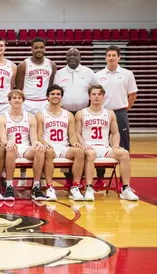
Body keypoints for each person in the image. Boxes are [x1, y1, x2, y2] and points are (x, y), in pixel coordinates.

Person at [75, 84, 139, 201]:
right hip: (89, 147)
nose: (96, 97)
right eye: (94, 94)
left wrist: (115, 145)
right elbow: (77, 133)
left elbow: (115, 133)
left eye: (99, 94)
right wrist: (83, 146)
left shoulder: (109, 113)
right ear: (89, 97)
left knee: (124, 154)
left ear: (103, 96)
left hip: (104, 147)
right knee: (90, 154)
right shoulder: (81, 113)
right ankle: (89, 188)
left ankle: (125, 188)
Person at [95, 45, 138, 188]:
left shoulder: (127, 74)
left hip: (120, 113)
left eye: (114, 55)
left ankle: (122, 182)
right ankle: (100, 179)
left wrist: (125, 109)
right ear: (105, 57)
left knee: (123, 147)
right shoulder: (98, 75)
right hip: (103, 114)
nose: (111, 58)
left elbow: (132, 95)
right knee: (100, 145)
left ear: (119, 57)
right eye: (109, 55)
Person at [53, 47, 96, 187]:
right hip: (65, 113)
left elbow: (96, 92)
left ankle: (82, 178)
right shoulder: (59, 74)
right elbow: (56, 93)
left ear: (80, 57)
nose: (72, 57)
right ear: (66, 57)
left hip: (83, 113)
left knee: (82, 144)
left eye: (75, 55)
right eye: (69, 55)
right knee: (68, 145)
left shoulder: (89, 73)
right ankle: (69, 178)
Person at [36, 84, 85, 201]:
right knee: (48, 152)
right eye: (52, 94)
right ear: (47, 97)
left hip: (63, 147)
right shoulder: (40, 114)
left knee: (79, 152)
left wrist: (75, 143)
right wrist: (43, 142)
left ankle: (75, 187)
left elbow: (72, 135)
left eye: (58, 94)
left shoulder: (68, 114)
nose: (55, 96)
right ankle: (49, 187)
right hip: (49, 146)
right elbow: (38, 135)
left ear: (61, 97)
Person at [0, 89, 45, 201]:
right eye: (14, 98)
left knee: (39, 150)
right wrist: (7, 142)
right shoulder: (3, 117)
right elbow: (3, 138)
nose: (17, 100)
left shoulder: (30, 117)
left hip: (25, 147)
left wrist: (37, 143)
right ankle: (9, 186)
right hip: (10, 147)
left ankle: (36, 186)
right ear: (9, 101)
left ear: (23, 101)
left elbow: (33, 138)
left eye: (19, 98)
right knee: (11, 150)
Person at [15, 37, 57, 115]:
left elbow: (51, 86)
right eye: (36, 48)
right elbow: (19, 88)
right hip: (27, 102)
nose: (39, 50)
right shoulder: (23, 65)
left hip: (44, 102)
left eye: (41, 47)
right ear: (32, 49)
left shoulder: (51, 65)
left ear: (45, 49)